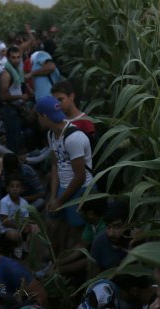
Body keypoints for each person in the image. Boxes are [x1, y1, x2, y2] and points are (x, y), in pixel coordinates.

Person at [35, 95, 94, 252]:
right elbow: (55, 164)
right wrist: (53, 195)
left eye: (38, 116)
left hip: (79, 190)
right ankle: (58, 258)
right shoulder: (52, 135)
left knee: (76, 230)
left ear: (44, 116)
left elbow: (80, 176)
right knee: (54, 225)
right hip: (64, 187)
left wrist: (60, 201)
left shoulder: (73, 138)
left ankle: (71, 264)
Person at [0, 45, 29, 153]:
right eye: (13, 57)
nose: (16, 60)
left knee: (17, 137)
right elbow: (3, 96)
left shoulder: (17, 71)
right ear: (8, 57)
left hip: (16, 108)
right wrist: (21, 96)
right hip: (9, 109)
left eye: (18, 57)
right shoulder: (6, 74)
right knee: (13, 140)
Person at [91, 201, 132, 271]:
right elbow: (93, 275)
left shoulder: (138, 240)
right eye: (108, 227)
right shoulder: (99, 241)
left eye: (117, 227)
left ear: (128, 224)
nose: (111, 233)